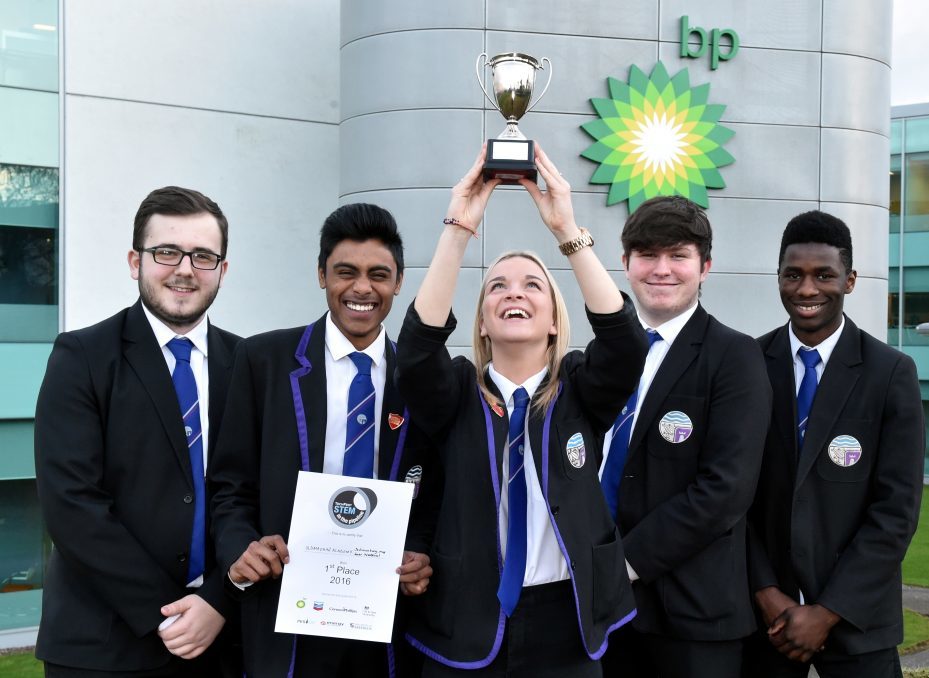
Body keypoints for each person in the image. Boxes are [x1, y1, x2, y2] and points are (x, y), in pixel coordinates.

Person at [395, 145, 646, 677]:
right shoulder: (457, 392)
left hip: (568, 620)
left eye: (533, 285)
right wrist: (458, 229)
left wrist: (567, 231)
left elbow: (625, 343)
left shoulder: (579, 388)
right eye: (497, 287)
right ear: (482, 322)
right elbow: (416, 353)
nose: (516, 293)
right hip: (467, 618)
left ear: (554, 319)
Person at [207, 202, 436, 678]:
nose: (361, 288)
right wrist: (241, 547)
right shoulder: (263, 360)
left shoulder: (420, 381)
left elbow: (433, 495)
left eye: (378, 274)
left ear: (398, 282)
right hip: (285, 611)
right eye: (345, 272)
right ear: (321, 275)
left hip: (385, 619)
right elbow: (229, 485)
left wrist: (420, 553)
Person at [34, 186, 241, 676]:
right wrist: (169, 613)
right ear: (135, 261)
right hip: (103, 647)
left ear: (223, 270)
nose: (185, 268)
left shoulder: (248, 365)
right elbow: (72, 505)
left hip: (224, 642)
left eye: (204, 255)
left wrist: (217, 600)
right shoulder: (81, 357)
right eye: (167, 251)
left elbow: (253, 495)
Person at [743, 210, 925, 677]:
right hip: (765, 623)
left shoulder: (890, 373)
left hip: (858, 623)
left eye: (824, 275)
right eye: (793, 275)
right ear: (778, 278)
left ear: (850, 281)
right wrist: (766, 592)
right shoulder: (745, 366)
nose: (807, 290)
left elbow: (896, 512)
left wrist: (827, 612)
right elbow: (731, 498)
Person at [598, 196, 773, 677]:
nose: (662, 270)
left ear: (705, 267)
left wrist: (622, 562)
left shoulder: (734, 356)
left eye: (678, 256)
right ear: (625, 263)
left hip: (693, 617)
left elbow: (726, 489)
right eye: (648, 255)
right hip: (600, 613)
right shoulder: (603, 355)